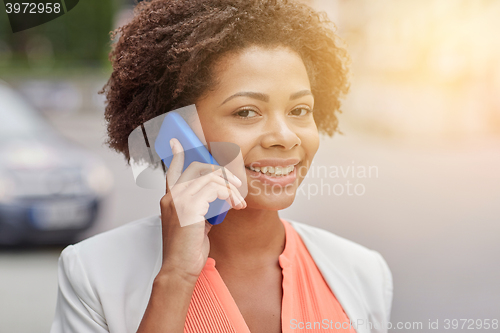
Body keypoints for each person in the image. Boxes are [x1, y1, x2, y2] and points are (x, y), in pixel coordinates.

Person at [50, 0, 393, 332]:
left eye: (300, 110)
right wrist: (176, 277)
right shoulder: (93, 272)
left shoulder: (364, 273)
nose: (285, 137)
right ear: (177, 130)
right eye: (246, 112)